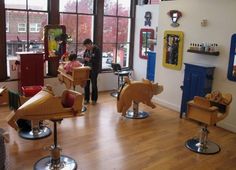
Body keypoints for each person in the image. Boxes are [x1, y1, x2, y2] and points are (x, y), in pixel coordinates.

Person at [83, 38, 102, 105]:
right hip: (87, 69)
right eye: (85, 46)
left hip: (94, 70)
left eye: (87, 46)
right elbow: (84, 57)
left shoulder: (97, 50)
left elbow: (97, 61)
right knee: (86, 85)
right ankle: (86, 99)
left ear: (90, 44)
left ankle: (94, 99)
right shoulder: (87, 50)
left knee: (94, 85)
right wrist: (85, 59)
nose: (86, 47)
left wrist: (89, 60)